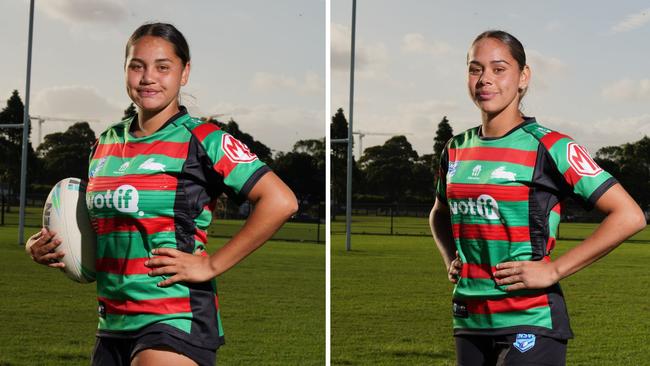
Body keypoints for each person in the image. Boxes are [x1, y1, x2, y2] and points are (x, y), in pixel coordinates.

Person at [26, 22, 298, 366]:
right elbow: (98, 231)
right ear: (125, 71)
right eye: (137, 66)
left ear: (184, 73)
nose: (148, 77)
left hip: (174, 316)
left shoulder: (204, 139)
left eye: (163, 67)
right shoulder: (104, 144)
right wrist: (44, 246)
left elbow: (281, 200)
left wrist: (211, 264)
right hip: (112, 321)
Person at [429, 30, 646, 366]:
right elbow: (439, 213)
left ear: (523, 77)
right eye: (475, 69)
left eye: (499, 69)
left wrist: (554, 270)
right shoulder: (456, 148)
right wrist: (450, 258)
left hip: (531, 318)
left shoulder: (551, 146)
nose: (485, 79)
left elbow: (629, 215)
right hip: (470, 319)